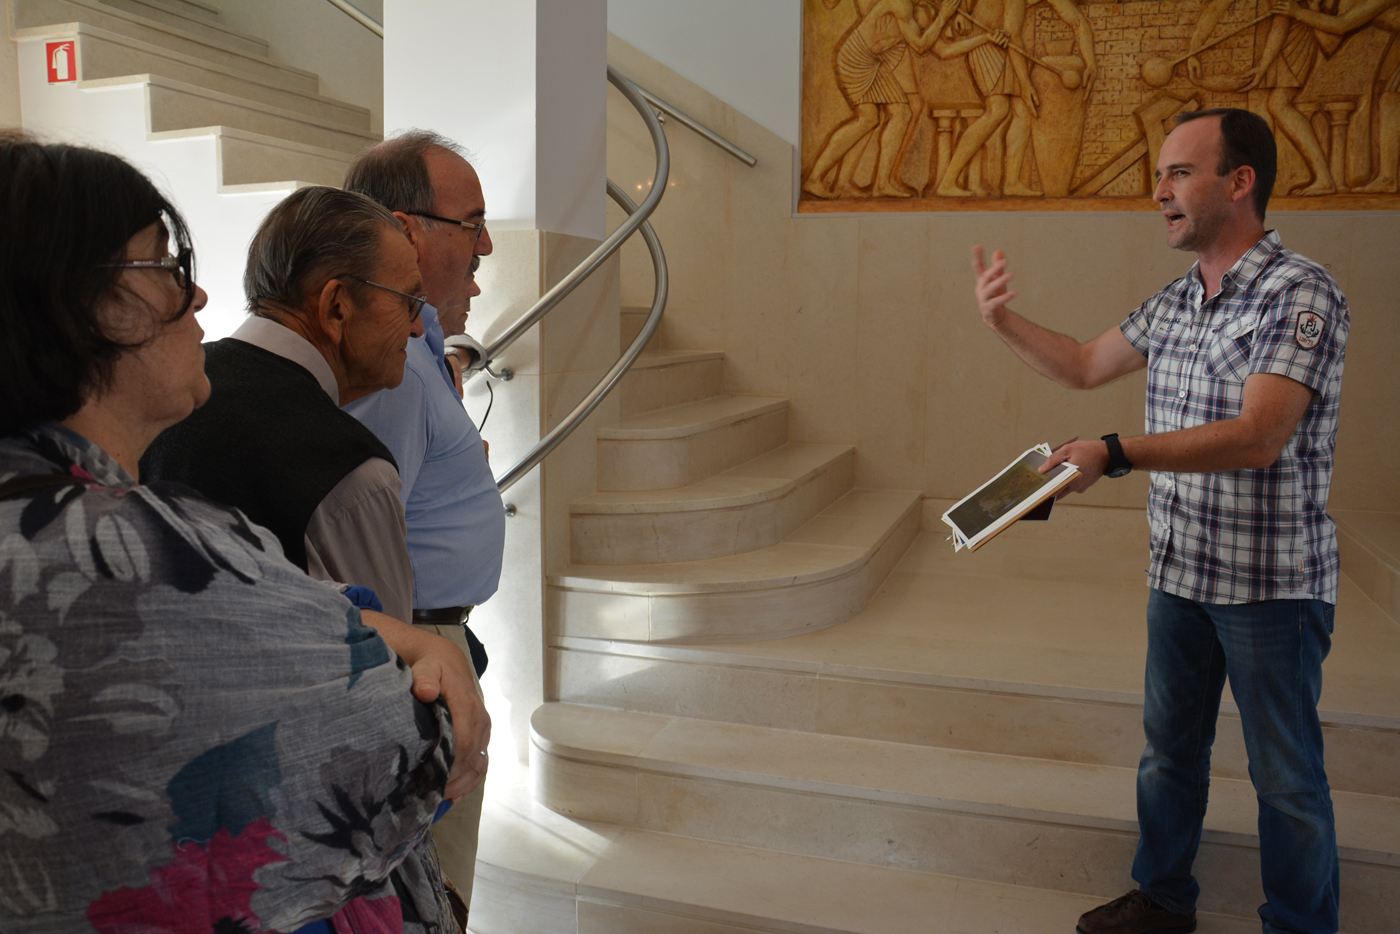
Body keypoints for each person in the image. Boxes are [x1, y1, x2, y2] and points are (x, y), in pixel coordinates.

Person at [0, 134, 466, 932]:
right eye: (165, 266)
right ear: (83, 305)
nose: (199, 296)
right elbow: (412, 746)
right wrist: (423, 651)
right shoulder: (157, 557)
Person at [970, 108, 1347, 934]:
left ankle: (1300, 925)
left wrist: (1114, 451)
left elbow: (1259, 437)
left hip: (1270, 588)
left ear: (1239, 181)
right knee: (1170, 755)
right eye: (1159, 174)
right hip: (1180, 574)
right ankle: (1164, 900)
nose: (1159, 191)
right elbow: (1081, 364)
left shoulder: (1299, 292)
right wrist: (1000, 321)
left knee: (1287, 781)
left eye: (1179, 172)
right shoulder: (1178, 300)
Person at [140, 184, 490, 930]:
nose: (419, 324)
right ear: (336, 306)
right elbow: (387, 709)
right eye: (408, 302)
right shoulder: (346, 470)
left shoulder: (174, 394)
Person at [341, 130, 505, 921]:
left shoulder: (424, 351)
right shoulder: (395, 367)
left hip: (437, 641)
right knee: (428, 893)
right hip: (416, 654)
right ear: (406, 231)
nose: (486, 245)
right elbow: (368, 533)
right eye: (471, 224)